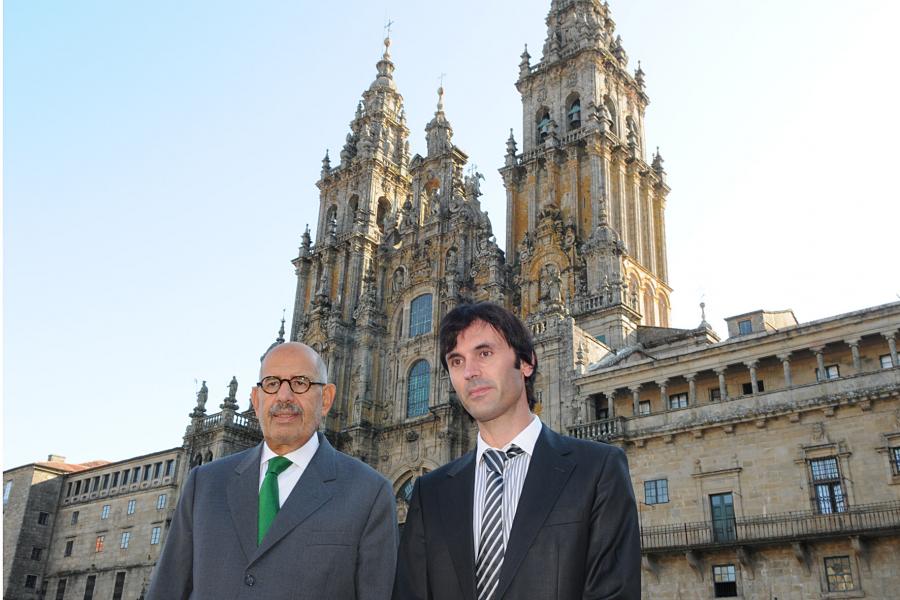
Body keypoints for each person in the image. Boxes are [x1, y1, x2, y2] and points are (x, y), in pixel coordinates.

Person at [393, 302, 640, 600]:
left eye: (484, 354)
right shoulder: (430, 492)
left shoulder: (598, 470)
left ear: (526, 363)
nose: (470, 371)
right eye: (456, 361)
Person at [148, 342, 397, 600]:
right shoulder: (204, 484)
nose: (284, 396)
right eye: (272, 383)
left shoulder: (370, 494)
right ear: (256, 400)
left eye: (300, 382)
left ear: (326, 399)